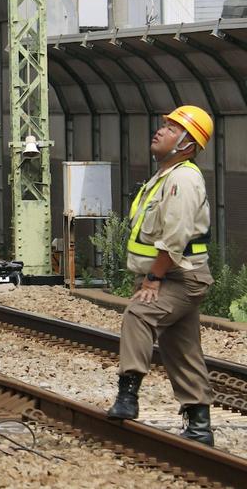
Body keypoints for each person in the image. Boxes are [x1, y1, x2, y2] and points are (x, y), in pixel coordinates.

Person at [106, 105, 215, 446]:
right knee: (181, 348)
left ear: (186, 143)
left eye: (170, 128)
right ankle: (200, 426)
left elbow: (175, 237)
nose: (160, 130)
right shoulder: (165, 177)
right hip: (173, 276)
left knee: (139, 315)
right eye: (164, 124)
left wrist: (153, 279)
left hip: (180, 278)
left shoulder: (183, 179)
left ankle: (128, 394)